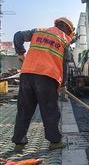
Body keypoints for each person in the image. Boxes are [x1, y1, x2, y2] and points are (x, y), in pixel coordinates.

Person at [12, 17, 74, 152]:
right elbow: (65, 64)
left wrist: (21, 53)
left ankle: (19, 143)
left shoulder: (38, 31)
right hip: (47, 76)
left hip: (27, 74)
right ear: (67, 29)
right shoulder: (64, 40)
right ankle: (54, 142)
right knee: (50, 110)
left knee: (24, 109)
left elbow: (18, 35)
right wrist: (63, 84)